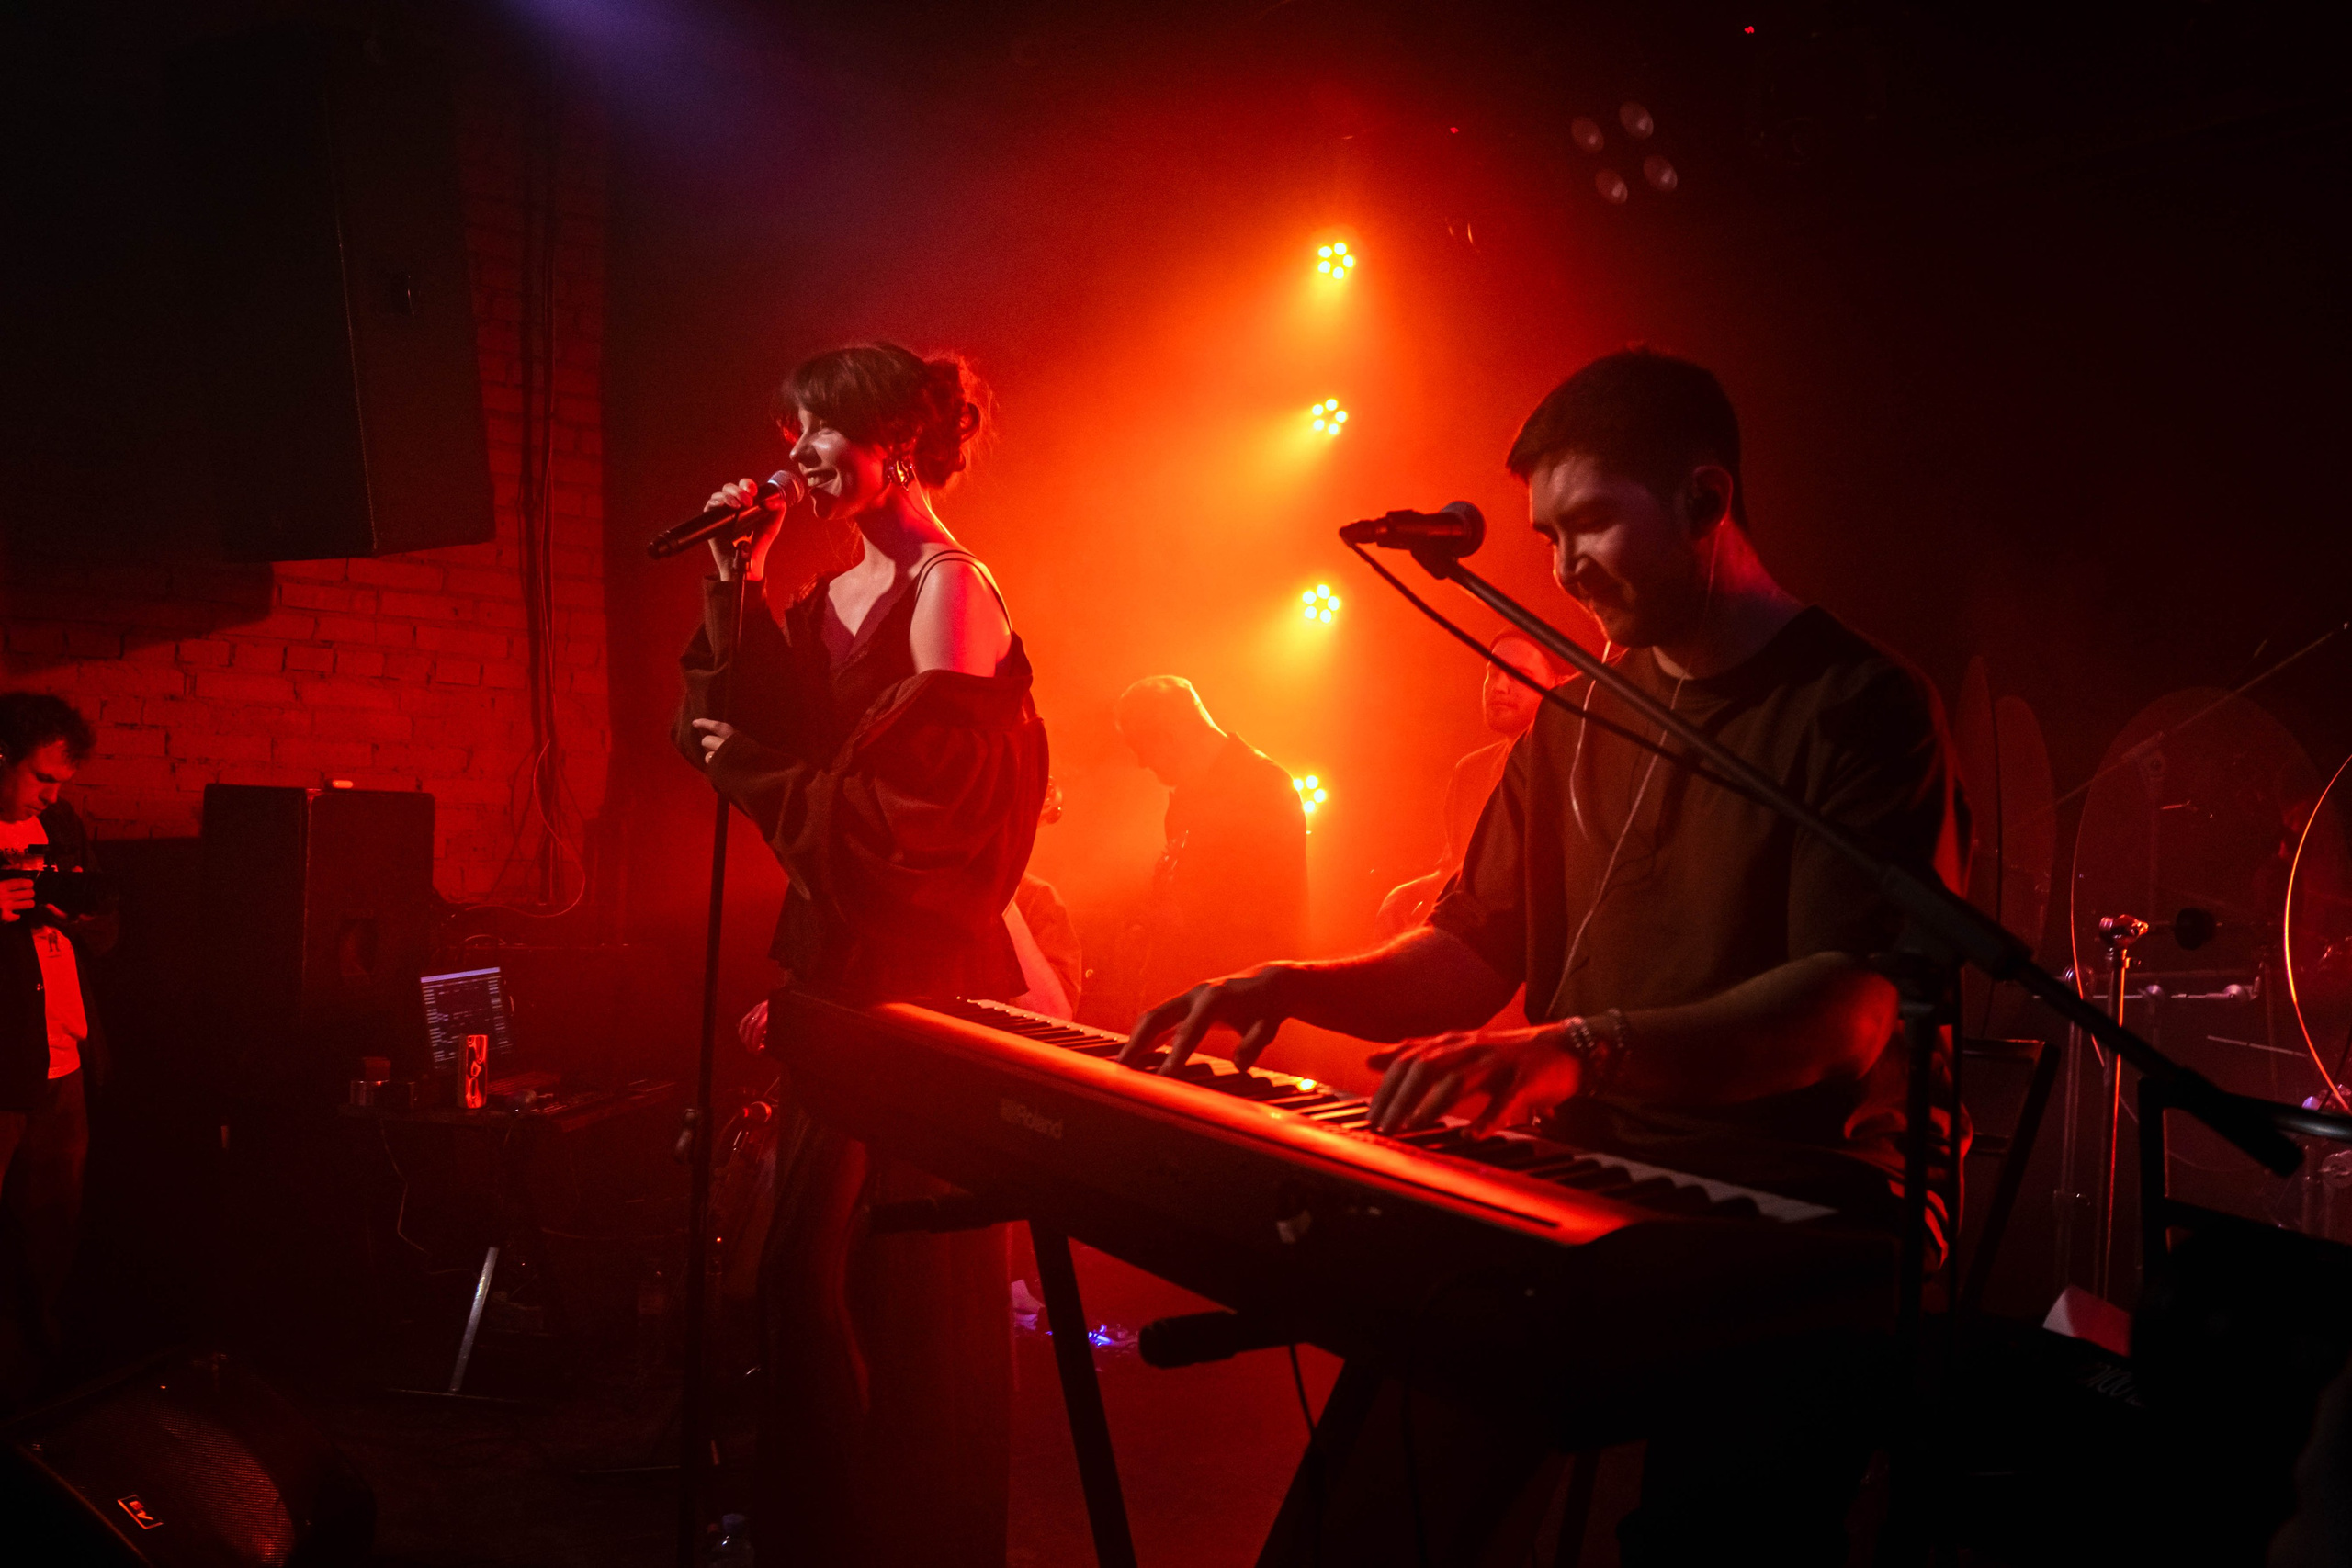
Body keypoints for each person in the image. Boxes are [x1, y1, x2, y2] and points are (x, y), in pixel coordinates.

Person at [1123, 350, 1966, 1565]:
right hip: (1586, 1172)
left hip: (1802, 1204)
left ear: (1703, 498)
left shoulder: (1860, 703)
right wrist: (1295, 983)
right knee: (1361, 1520)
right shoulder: (1580, 714)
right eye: (1545, 534)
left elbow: (1841, 1012)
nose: (1563, 567)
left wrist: (1579, 1048)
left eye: (1590, 524)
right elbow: (1471, 949)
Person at [674, 343, 1047, 1568]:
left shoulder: (951, 589)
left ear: (893, 441)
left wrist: (758, 768)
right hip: (842, 954)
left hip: (915, 965)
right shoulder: (833, 593)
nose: (797, 457)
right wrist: (739, 571)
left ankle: (897, 1531)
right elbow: (755, 735)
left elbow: (916, 813)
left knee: (883, 1277)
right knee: (793, 1276)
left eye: (819, 434)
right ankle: (826, 1525)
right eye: (790, 433)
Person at [0, 693, 114, 1392]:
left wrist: (78, 914)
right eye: (42, 777)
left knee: (49, 1237)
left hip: (61, 1060)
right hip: (2, 1065)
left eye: (62, 782)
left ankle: (30, 1394)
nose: (53, 793)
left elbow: (107, 928)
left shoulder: (61, 824)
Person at [1111, 674, 1307, 1019]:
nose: (1142, 763)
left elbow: (1274, 916)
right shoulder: (1186, 794)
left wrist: (1182, 927)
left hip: (1236, 1008)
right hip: (1192, 996)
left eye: (1141, 748)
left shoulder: (1264, 787)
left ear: (1168, 737)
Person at [1375, 629, 1572, 938]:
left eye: (1519, 676)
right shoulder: (1470, 771)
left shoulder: (1570, 770)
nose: (1500, 687)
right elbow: (1455, 868)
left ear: (1558, 684)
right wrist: (1407, 893)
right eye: (1493, 674)